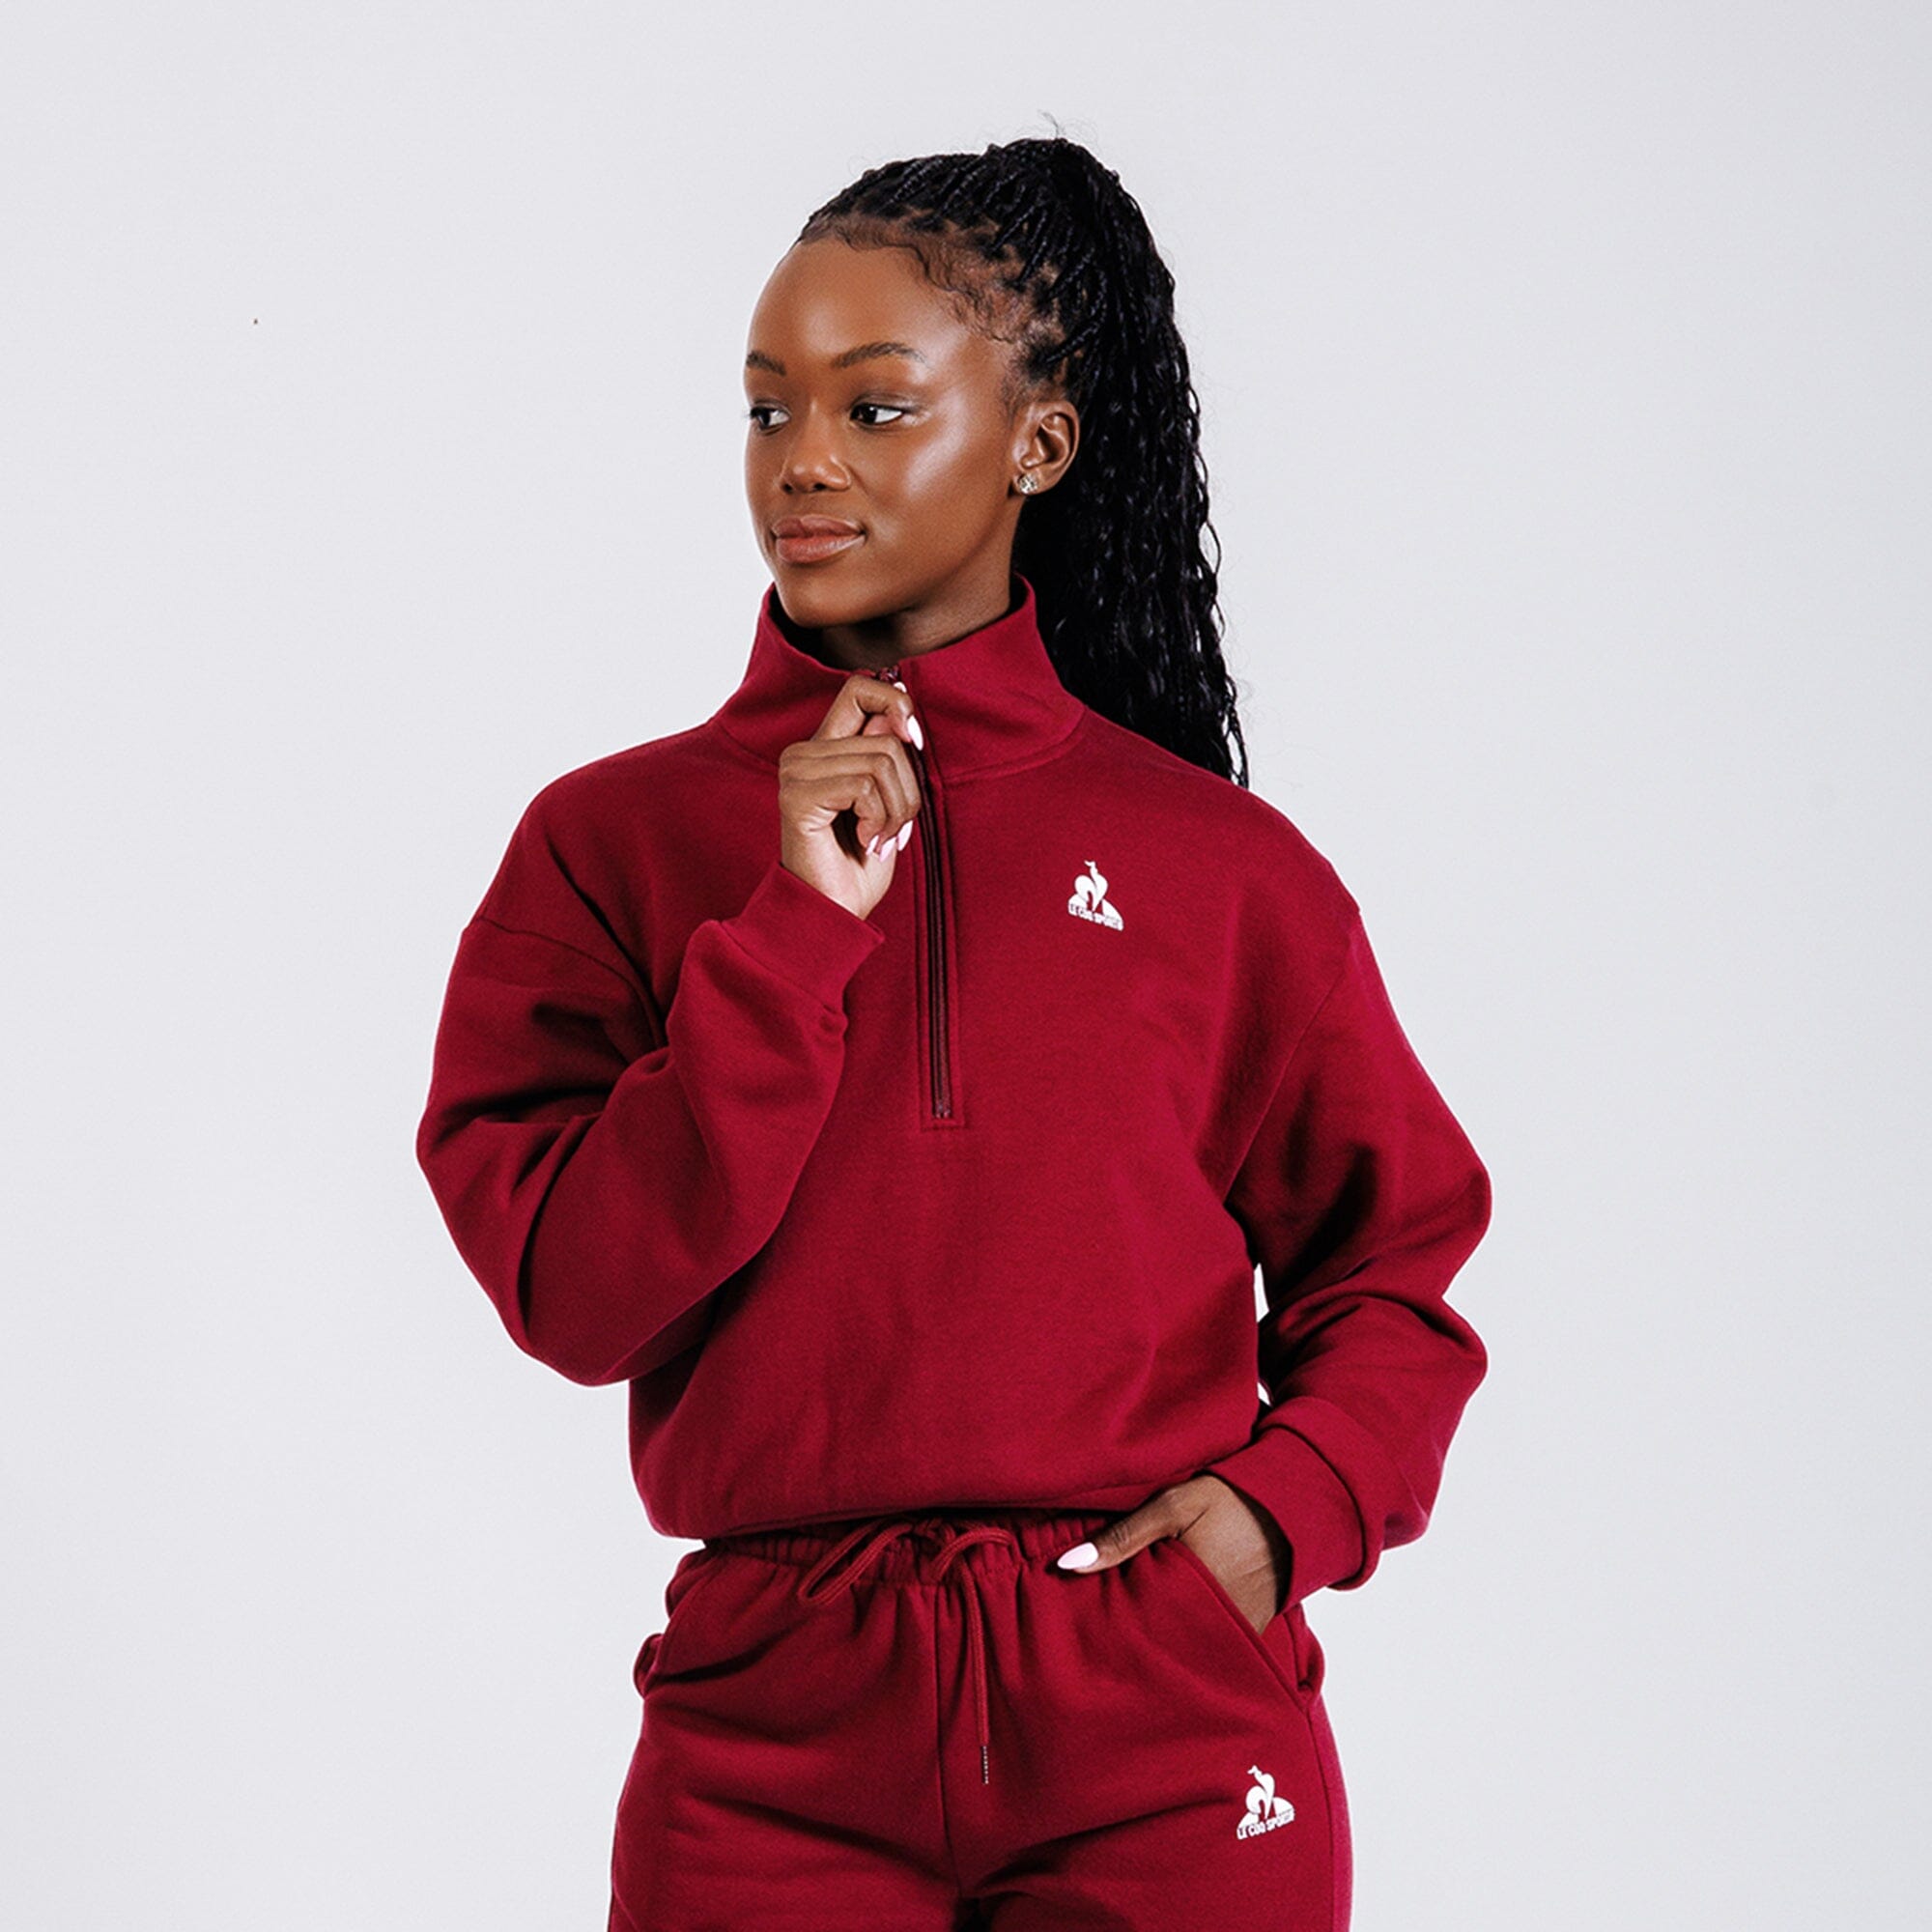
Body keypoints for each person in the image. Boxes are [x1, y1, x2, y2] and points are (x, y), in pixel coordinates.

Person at [415, 132, 1492, 1932]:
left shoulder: (1226, 872)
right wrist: (790, 937)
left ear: (1037, 445)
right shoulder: (608, 845)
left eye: (875, 406)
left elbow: (1394, 1267)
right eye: (768, 409)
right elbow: (577, 1296)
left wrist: (1280, 1513)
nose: (803, 460)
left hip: (1151, 1711)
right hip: (768, 1737)